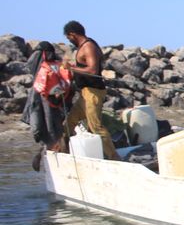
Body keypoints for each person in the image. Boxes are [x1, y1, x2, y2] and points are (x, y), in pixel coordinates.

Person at [61, 20, 120, 160]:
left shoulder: (88, 47)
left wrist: (71, 68)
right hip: (85, 93)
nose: (69, 41)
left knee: (96, 127)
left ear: (73, 34)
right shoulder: (84, 46)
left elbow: (92, 70)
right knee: (70, 122)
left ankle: (114, 157)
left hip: (93, 92)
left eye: (68, 37)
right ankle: (65, 152)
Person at [22, 41, 70, 170]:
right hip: (48, 103)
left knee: (51, 130)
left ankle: (51, 155)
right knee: (48, 130)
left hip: (51, 103)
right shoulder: (50, 66)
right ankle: (49, 154)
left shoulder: (52, 67)